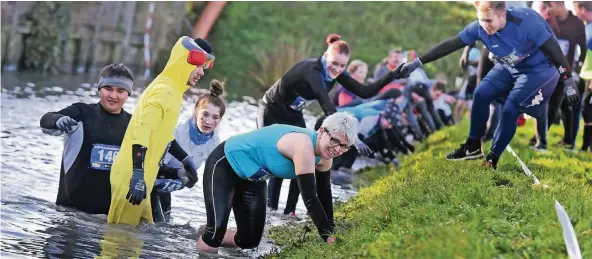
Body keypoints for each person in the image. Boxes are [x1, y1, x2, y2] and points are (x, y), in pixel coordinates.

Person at [400, 1, 580, 168]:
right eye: (481, 20)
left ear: (503, 16)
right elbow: (450, 44)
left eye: (488, 21)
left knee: (510, 109)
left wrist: (569, 82)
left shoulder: (526, 22)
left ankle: (492, 158)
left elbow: (556, 53)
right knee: (481, 93)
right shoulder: (480, 27)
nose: (485, 26)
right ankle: (473, 147)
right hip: (511, 65)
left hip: (540, 69)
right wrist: (417, 63)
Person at [258, 33, 405, 215]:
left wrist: (392, 75)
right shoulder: (312, 71)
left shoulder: (336, 72)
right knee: (272, 161)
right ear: (325, 56)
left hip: (293, 113)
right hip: (271, 110)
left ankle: (289, 212)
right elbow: (327, 105)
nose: (337, 69)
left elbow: (365, 92)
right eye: (334, 63)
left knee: (304, 157)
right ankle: (269, 210)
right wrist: (354, 138)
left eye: (342, 66)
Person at [196, 112, 358, 253]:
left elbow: (324, 195)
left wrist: (332, 231)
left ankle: (203, 233)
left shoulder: (324, 159)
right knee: (215, 233)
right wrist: (328, 238)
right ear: (322, 131)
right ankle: (211, 235)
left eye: (345, 146)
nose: (338, 150)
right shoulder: (303, 145)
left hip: (254, 179)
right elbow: (310, 198)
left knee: (249, 241)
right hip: (226, 164)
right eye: (335, 141)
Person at [108, 36, 215, 226]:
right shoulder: (164, 91)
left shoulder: (174, 92)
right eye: (198, 65)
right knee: (118, 243)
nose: (201, 72)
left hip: (144, 180)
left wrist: (185, 159)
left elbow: (162, 135)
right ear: (182, 60)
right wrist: (138, 174)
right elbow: (141, 131)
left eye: (204, 68)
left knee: (141, 241)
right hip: (132, 180)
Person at [39, 63, 134, 214]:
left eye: (120, 91)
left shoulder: (133, 124)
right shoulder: (81, 113)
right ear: (99, 89)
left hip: (108, 218)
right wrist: (58, 120)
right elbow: (46, 120)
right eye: (108, 89)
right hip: (69, 212)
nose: (113, 96)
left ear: (128, 93)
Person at [151, 79, 227, 222]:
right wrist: (179, 173)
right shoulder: (177, 132)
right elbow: (154, 169)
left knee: (164, 226)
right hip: (152, 183)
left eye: (215, 117)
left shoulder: (214, 141)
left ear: (220, 119)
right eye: (205, 114)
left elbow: (214, 178)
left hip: (167, 188)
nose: (209, 121)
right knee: (156, 227)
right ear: (196, 111)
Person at [528, 1, 587, 151]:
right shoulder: (547, 21)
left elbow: (583, 48)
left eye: (550, 5)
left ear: (559, 4)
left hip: (564, 73)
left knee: (556, 105)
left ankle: (542, 141)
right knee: (558, 105)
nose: (548, 9)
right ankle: (556, 139)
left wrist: (578, 68)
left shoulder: (577, 24)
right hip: (546, 70)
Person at [574, 1, 592, 152]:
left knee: (588, 107)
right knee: (585, 108)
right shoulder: (585, 26)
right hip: (584, 73)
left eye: (577, 10)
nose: (577, 14)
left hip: (590, 75)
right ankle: (585, 145)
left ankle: (587, 145)